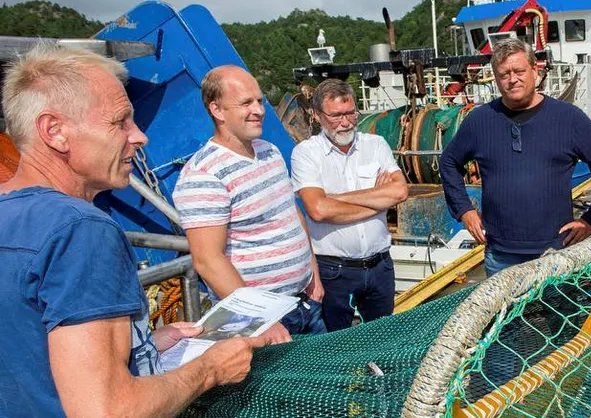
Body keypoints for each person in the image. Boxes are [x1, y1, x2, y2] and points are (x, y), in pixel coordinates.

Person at [0, 46, 264, 417]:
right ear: (55, 132)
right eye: (120, 121)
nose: (140, 137)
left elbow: (34, 363)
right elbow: (108, 411)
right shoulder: (82, 230)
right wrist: (211, 369)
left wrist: (146, 346)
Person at [439, 38, 591, 276]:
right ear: (496, 78)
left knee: (558, 314)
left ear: (534, 71)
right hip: (499, 256)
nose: (512, 79)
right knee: (503, 316)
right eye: (504, 74)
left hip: (556, 252)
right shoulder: (479, 120)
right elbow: (448, 162)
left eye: (519, 71)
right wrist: (464, 210)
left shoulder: (568, 118)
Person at [173, 65, 324, 342]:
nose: (259, 109)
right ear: (217, 110)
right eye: (246, 103)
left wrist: (312, 272)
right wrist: (260, 321)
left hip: (305, 302)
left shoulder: (270, 152)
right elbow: (207, 260)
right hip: (261, 322)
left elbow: (291, 214)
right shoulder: (204, 174)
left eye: (259, 100)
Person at [291, 78, 408, 331]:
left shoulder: (375, 145)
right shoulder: (306, 153)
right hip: (334, 272)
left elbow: (399, 191)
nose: (345, 123)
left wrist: (335, 198)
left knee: (382, 339)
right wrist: (377, 198)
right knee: (335, 344)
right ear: (317, 115)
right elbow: (318, 210)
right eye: (336, 116)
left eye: (350, 113)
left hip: (380, 268)